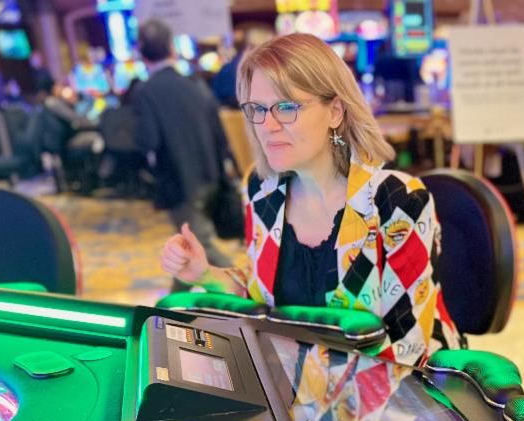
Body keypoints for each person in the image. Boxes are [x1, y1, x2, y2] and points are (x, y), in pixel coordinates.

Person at [159, 33, 460, 366]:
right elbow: (263, 297)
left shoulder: (397, 201)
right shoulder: (264, 191)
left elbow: (408, 348)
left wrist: (300, 385)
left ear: (335, 111)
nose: (267, 125)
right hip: (302, 389)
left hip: (406, 395)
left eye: (287, 107)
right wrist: (204, 273)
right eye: (257, 108)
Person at [135, 18, 237, 289]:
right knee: (188, 247)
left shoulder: (146, 91)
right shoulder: (196, 85)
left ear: (141, 53)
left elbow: (148, 141)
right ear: (171, 49)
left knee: (199, 248)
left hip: (180, 183)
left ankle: (248, 290)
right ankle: (168, 309)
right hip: (211, 175)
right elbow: (220, 136)